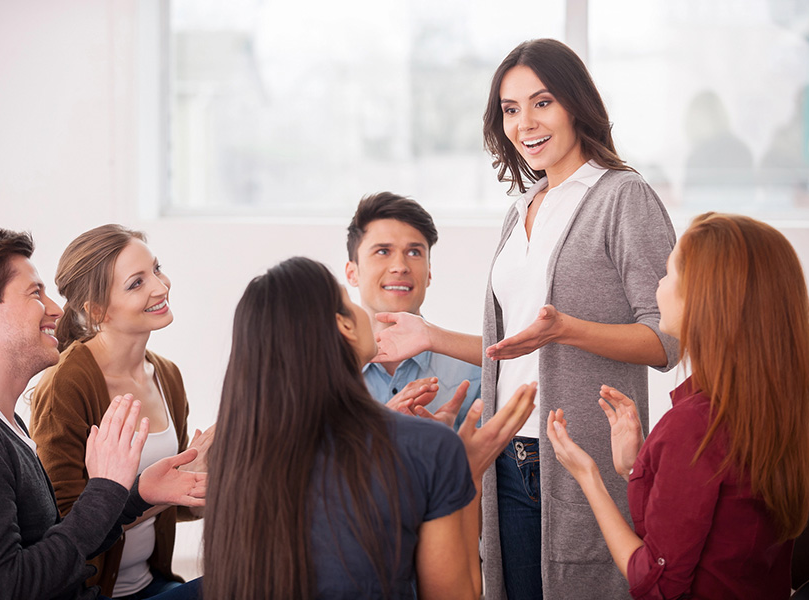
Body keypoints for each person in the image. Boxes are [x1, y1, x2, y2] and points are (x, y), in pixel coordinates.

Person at [372, 39, 678, 599]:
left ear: (576, 105)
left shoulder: (623, 196)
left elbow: (668, 339)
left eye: (541, 103)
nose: (524, 123)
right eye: (510, 109)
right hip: (507, 458)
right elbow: (518, 347)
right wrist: (431, 335)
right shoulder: (523, 208)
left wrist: (570, 329)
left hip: (582, 453)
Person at [201, 256, 537, 599]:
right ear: (343, 325)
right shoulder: (429, 447)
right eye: (349, 300)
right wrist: (470, 474)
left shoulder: (234, 453)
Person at [0, 228, 204, 600]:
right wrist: (105, 489)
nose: (57, 309)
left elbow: (53, 546)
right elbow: (6, 589)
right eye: (35, 293)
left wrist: (138, 495)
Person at [547, 213, 809, 599]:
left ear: (703, 299)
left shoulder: (694, 425)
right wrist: (635, 468)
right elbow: (715, 528)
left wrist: (587, 475)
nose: (658, 283)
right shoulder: (780, 407)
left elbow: (656, 583)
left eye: (668, 273)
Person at [30, 225, 211, 599]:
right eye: (136, 283)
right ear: (96, 310)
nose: (161, 287)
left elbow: (170, 509)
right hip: (94, 591)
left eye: (157, 270)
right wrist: (158, 492)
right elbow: (65, 526)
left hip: (154, 582)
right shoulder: (66, 384)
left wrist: (203, 482)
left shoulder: (167, 376)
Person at [346, 192, 481, 427]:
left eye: (414, 252)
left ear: (429, 273)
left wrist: (450, 447)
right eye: (382, 251)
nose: (400, 266)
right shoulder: (318, 370)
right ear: (352, 273)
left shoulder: (472, 372)